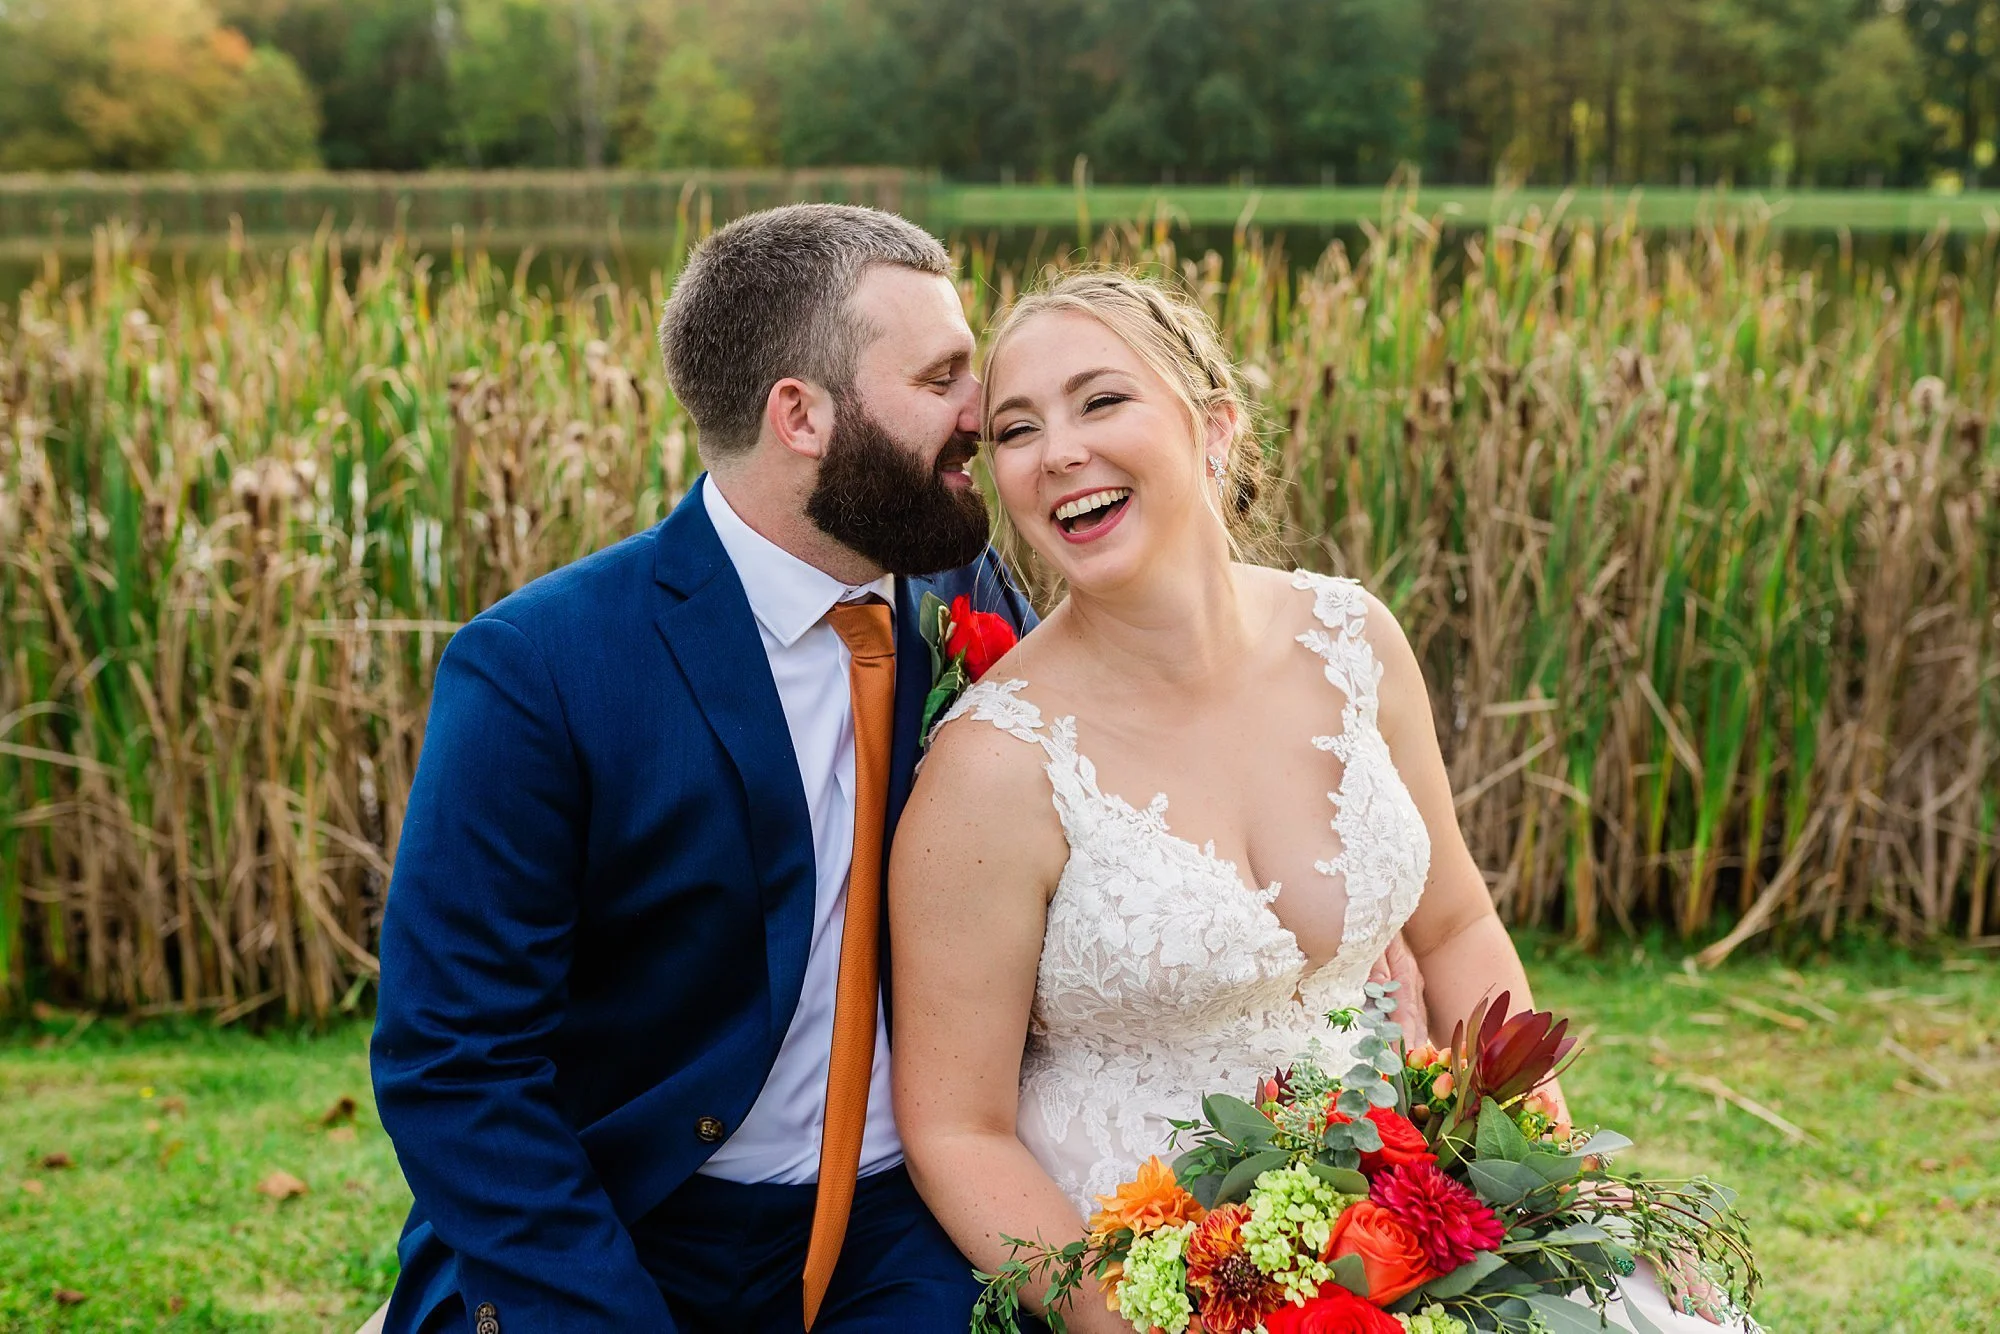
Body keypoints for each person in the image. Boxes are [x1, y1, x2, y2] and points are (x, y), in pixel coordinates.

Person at [889, 270, 1737, 1332]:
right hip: (1155, 1267)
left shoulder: (1352, 640)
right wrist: (1129, 1318)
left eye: (1101, 400)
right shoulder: (994, 764)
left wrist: (1537, 1180)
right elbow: (956, 1130)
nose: (1058, 450)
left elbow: (1456, 928)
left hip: (1396, 1218)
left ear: (1215, 428)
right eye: (1017, 429)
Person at [367, 204, 1037, 1334]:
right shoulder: (540, 666)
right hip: (624, 1216)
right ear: (801, 415)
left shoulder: (970, 597)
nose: (983, 410)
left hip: (903, 1227)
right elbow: (454, 1058)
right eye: (941, 378)